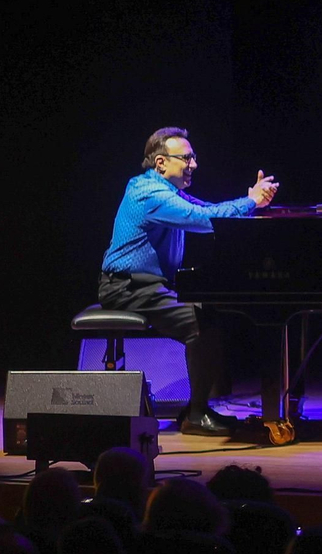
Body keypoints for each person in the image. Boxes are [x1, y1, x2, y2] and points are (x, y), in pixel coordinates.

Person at [98, 128, 278, 436]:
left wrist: (250, 202)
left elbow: (207, 210)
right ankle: (196, 415)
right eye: (187, 158)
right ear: (160, 163)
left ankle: (198, 407)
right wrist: (250, 201)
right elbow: (204, 219)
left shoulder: (166, 192)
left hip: (147, 286)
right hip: (126, 287)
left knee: (209, 316)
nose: (193, 164)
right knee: (202, 324)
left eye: (193, 157)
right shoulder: (149, 194)